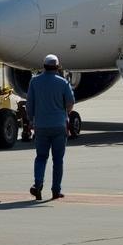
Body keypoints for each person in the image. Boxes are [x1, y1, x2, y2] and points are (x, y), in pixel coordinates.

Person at [26, 54, 76, 199]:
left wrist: (30, 120)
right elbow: (70, 102)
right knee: (58, 160)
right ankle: (56, 190)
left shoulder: (34, 82)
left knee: (41, 157)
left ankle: (38, 185)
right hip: (59, 126)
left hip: (41, 126)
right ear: (57, 67)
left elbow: (30, 104)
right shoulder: (63, 83)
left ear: (44, 66)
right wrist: (64, 113)